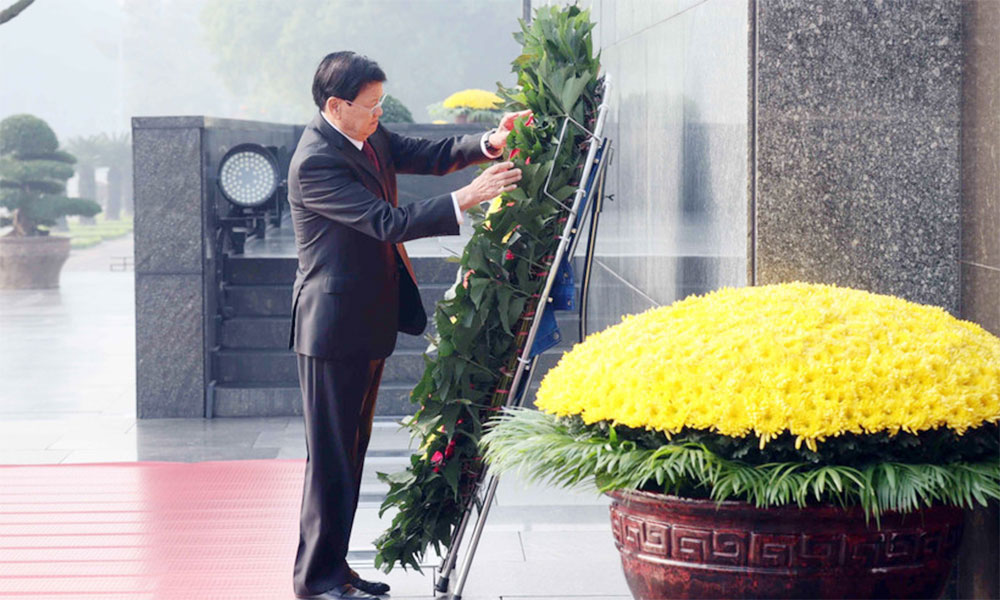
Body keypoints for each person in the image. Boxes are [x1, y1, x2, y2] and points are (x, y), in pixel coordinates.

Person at [287, 51, 527, 600]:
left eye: (380, 104)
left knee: (349, 454)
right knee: (330, 461)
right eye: (370, 105)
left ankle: (335, 569)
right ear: (335, 106)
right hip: (330, 330)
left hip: (364, 321)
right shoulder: (315, 162)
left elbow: (424, 152)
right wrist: (467, 198)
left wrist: (490, 142)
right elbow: (386, 222)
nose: (379, 114)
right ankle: (316, 580)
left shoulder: (364, 134)